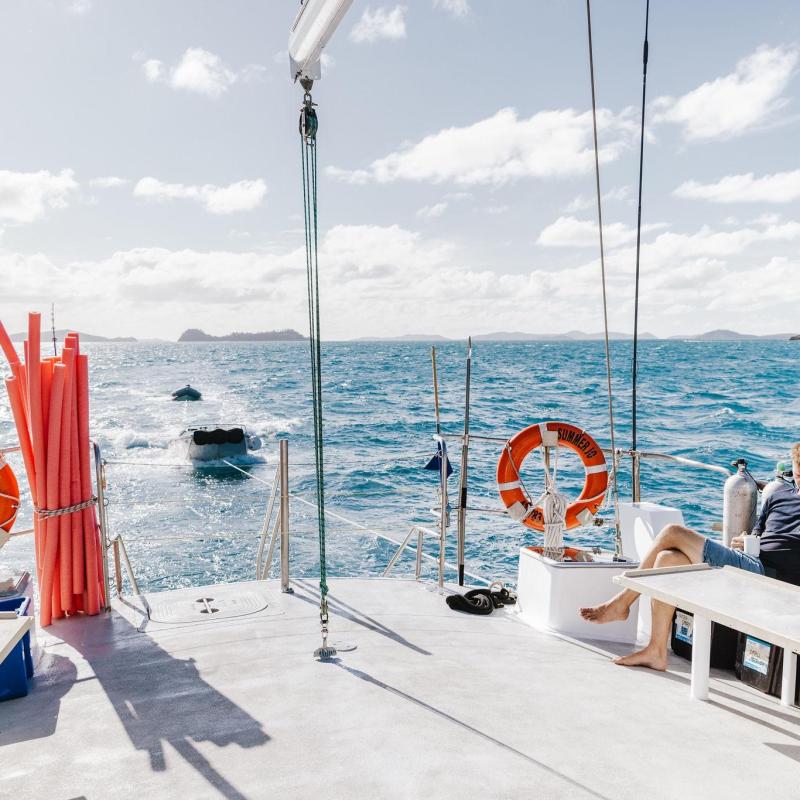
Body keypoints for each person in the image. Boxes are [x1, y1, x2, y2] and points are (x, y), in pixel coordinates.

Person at [579, 442, 800, 671]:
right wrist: (746, 539)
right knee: (667, 559)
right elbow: (757, 533)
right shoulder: (778, 495)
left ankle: (622, 602)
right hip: (753, 562)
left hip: (773, 577)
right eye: (798, 473)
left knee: (671, 533)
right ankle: (656, 651)